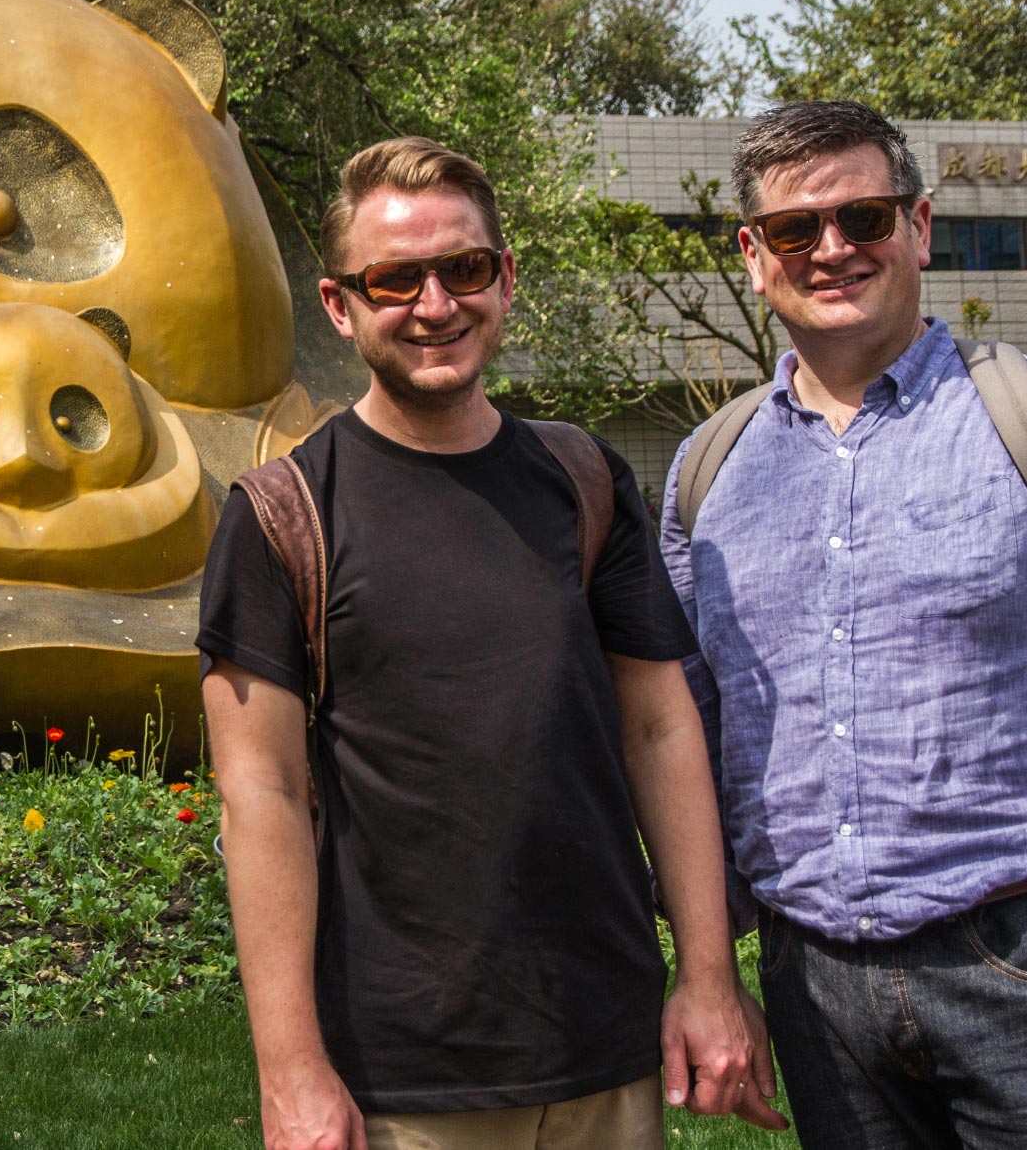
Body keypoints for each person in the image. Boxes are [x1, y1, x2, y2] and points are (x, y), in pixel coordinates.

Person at [658, 100, 1027, 1149]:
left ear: (919, 227)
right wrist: (706, 974)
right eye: (796, 229)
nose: (832, 248)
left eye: (865, 217)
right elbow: (687, 744)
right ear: (754, 256)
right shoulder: (707, 473)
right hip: (812, 987)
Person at [198, 136, 786, 1150]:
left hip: (603, 1046)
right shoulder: (280, 516)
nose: (435, 305)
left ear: (504, 281)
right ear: (340, 306)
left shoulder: (584, 481)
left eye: (462, 269)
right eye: (395, 279)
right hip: (401, 1074)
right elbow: (262, 795)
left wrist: (706, 976)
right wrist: (290, 1070)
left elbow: (656, 728)